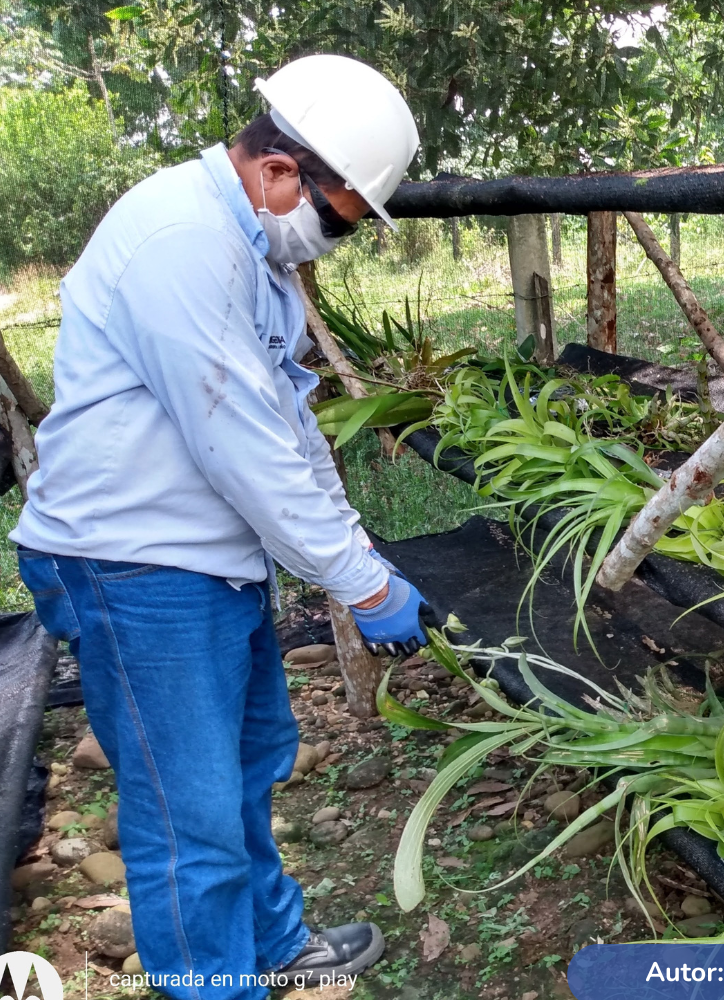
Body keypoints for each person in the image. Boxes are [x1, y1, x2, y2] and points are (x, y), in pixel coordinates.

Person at [11, 54, 430, 999]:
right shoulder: (182, 240)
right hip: (135, 564)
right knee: (186, 811)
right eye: (338, 221)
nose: (333, 242)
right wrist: (360, 585)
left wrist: (357, 550)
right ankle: (213, 983)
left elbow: (288, 425)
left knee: (245, 767)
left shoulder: (247, 251)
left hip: (202, 560)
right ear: (279, 173)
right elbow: (238, 444)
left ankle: (272, 944)